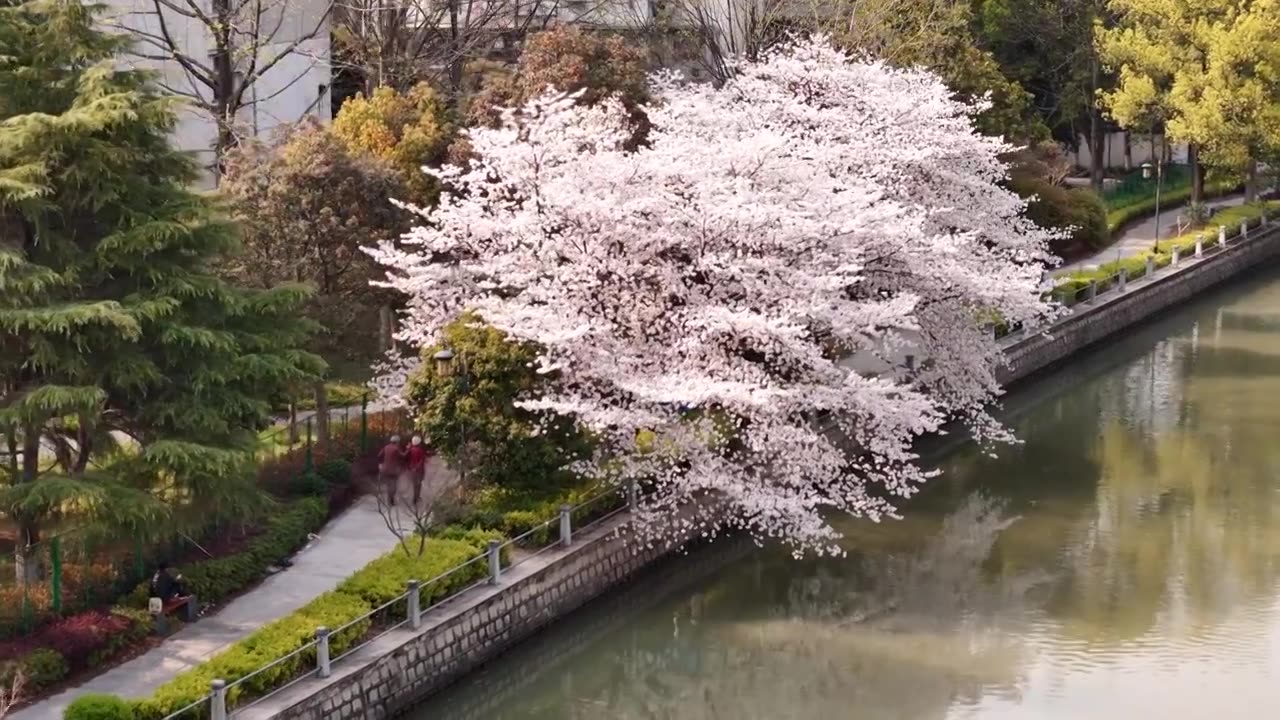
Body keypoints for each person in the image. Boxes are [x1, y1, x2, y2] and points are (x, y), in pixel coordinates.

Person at [379, 435, 406, 505]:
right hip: (393, 470)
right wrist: (408, 449)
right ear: (397, 442)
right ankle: (391, 499)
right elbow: (403, 455)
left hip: (385, 469)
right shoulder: (396, 448)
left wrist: (382, 463)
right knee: (394, 485)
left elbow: (379, 455)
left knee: (388, 484)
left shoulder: (386, 447)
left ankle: (389, 499)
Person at [406, 435, 428, 505]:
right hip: (419, 470)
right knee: (418, 484)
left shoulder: (410, 450)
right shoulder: (420, 450)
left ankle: (416, 497)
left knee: (414, 484)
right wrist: (417, 467)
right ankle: (416, 497)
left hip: (412, 469)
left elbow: (406, 459)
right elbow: (422, 460)